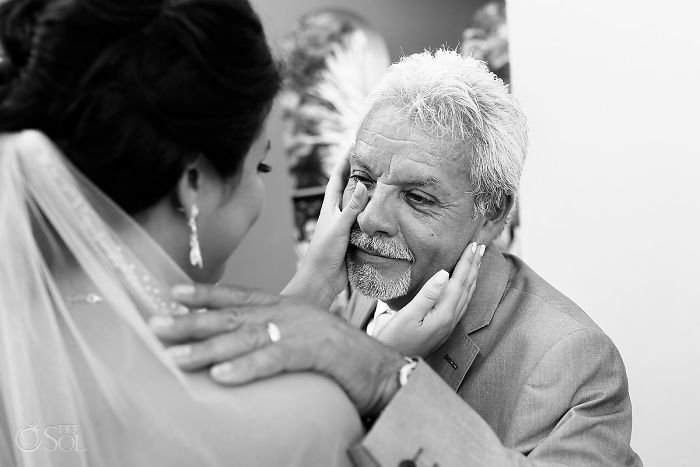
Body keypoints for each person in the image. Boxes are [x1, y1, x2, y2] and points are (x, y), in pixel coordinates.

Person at [0, 0, 457, 465]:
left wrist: (311, 288)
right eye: (260, 164)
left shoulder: (20, 354)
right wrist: (381, 372)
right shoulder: (303, 415)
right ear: (193, 182)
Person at [155, 50, 643, 466]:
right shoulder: (349, 290)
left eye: (417, 197)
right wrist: (316, 285)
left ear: (492, 214)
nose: (369, 219)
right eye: (363, 178)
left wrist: (387, 378)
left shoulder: (571, 361)